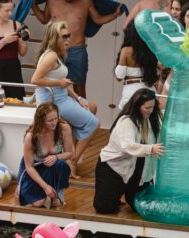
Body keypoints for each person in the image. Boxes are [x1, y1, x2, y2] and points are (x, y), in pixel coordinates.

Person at [31, 21, 100, 178]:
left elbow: (63, 81)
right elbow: (35, 80)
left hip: (61, 97)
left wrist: (78, 98)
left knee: (92, 107)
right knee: (94, 123)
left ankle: (70, 153)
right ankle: (72, 162)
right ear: (55, 38)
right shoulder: (52, 56)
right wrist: (59, 83)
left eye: (69, 36)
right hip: (53, 101)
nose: (68, 39)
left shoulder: (58, 55)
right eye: (64, 37)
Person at [32, 0, 123, 99]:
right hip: (56, 51)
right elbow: (44, 19)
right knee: (54, 86)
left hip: (77, 50)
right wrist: (33, 5)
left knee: (79, 88)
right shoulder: (51, 1)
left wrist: (115, 14)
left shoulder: (86, 2)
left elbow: (97, 19)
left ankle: (82, 111)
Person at [94, 88, 163, 215]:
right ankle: (117, 192)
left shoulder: (152, 119)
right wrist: (150, 148)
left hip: (139, 169)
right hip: (114, 168)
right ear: (137, 106)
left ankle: (127, 194)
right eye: (147, 107)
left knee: (140, 206)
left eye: (152, 107)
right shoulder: (127, 121)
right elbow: (127, 146)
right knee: (105, 208)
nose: (150, 111)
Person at [17, 102, 74, 208]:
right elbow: (29, 167)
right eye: (50, 120)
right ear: (41, 121)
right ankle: (21, 188)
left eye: (56, 118)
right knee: (38, 203)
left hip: (52, 167)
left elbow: (70, 153)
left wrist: (56, 157)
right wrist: (45, 187)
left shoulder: (64, 128)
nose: (54, 123)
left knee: (61, 164)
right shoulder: (31, 136)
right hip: (33, 168)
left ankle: (55, 195)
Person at [114, 22, 159, 111]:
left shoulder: (126, 51)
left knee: (128, 122)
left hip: (131, 92)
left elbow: (119, 76)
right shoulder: (151, 49)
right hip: (150, 91)